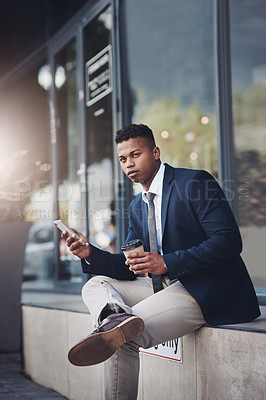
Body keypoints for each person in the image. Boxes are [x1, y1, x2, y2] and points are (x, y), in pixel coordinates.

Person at [63, 123, 260, 400]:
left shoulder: (193, 183)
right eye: (122, 159)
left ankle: (117, 327)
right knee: (95, 285)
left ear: (155, 152)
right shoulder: (136, 206)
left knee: (122, 340)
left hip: (204, 290)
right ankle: (115, 318)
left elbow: (228, 242)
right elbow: (130, 265)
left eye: (136, 154)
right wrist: (90, 254)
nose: (129, 164)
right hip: (163, 286)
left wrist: (167, 262)